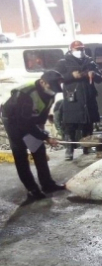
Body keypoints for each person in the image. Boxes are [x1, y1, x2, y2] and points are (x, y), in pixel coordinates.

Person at [0, 70, 65, 201]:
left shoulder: (51, 92)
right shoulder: (26, 94)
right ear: (42, 82)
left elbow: (43, 114)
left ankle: (47, 184)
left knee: (39, 151)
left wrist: (42, 131)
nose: (53, 91)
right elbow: (24, 123)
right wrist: (45, 137)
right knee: (21, 155)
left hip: (30, 120)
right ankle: (32, 189)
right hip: (13, 121)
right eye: (51, 87)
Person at [54, 40, 102, 160]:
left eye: (81, 49)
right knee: (70, 125)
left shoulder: (90, 61)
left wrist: (93, 73)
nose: (80, 51)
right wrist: (72, 76)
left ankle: (87, 147)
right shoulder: (63, 63)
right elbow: (56, 78)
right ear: (71, 49)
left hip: (88, 98)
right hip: (73, 99)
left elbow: (100, 78)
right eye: (77, 49)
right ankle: (69, 151)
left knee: (88, 125)